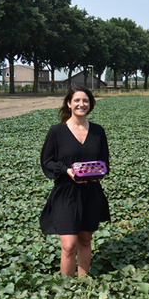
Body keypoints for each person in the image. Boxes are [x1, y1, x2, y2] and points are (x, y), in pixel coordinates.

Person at [40, 86, 110, 277]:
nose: (81, 104)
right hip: (66, 192)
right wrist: (66, 170)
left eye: (85, 100)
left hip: (91, 192)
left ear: (90, 104)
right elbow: (47, 161)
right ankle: (67, 286)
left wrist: (99, 172)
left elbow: (104, 161)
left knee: (85, 240)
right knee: (69, 245)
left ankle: (83, 281)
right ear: (69, 104)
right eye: (77, 100)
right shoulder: (57, 131)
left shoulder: (97, 131)